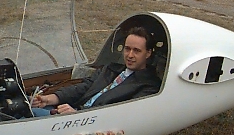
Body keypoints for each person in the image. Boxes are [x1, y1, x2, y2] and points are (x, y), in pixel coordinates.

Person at [31, 27, 161, 116]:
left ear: (148, 53)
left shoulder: (148, 86)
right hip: (71, 110)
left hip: (84, 120)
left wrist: (77, 116)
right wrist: (49, 99)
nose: (130, 55)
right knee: (27, 106)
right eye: (127, 49)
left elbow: (120, 115)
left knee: (28, 116)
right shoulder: (111, 69)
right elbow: (83, 87)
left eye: (136, 51)